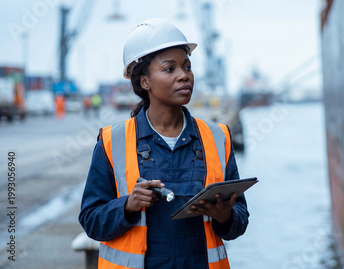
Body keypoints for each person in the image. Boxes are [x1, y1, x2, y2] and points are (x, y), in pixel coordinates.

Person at [79, 18, 249, 269]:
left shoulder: (217, 137)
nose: (184, 76)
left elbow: (240, 220)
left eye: (187, 67)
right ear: (144, 81)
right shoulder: (112, 141)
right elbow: (91, 220)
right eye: (170, 69)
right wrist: (127, 205)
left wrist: (225, 216)